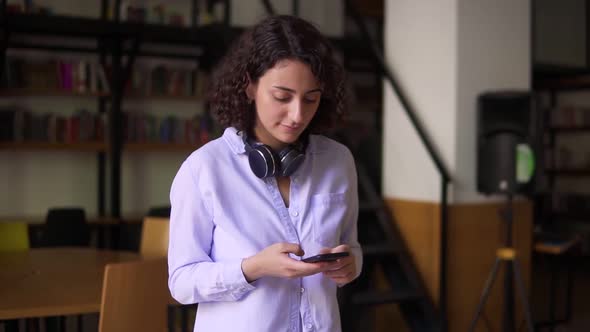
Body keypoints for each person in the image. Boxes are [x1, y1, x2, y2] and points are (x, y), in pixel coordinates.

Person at [168, 15, 362, 332]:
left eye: (311, 99)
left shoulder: (338, 161)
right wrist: (252, 268)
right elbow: (182, 282)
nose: (298, 115)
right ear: (249, 86)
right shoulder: (204, 168)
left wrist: (351, 263)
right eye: (282, 97)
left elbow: (352, 247)